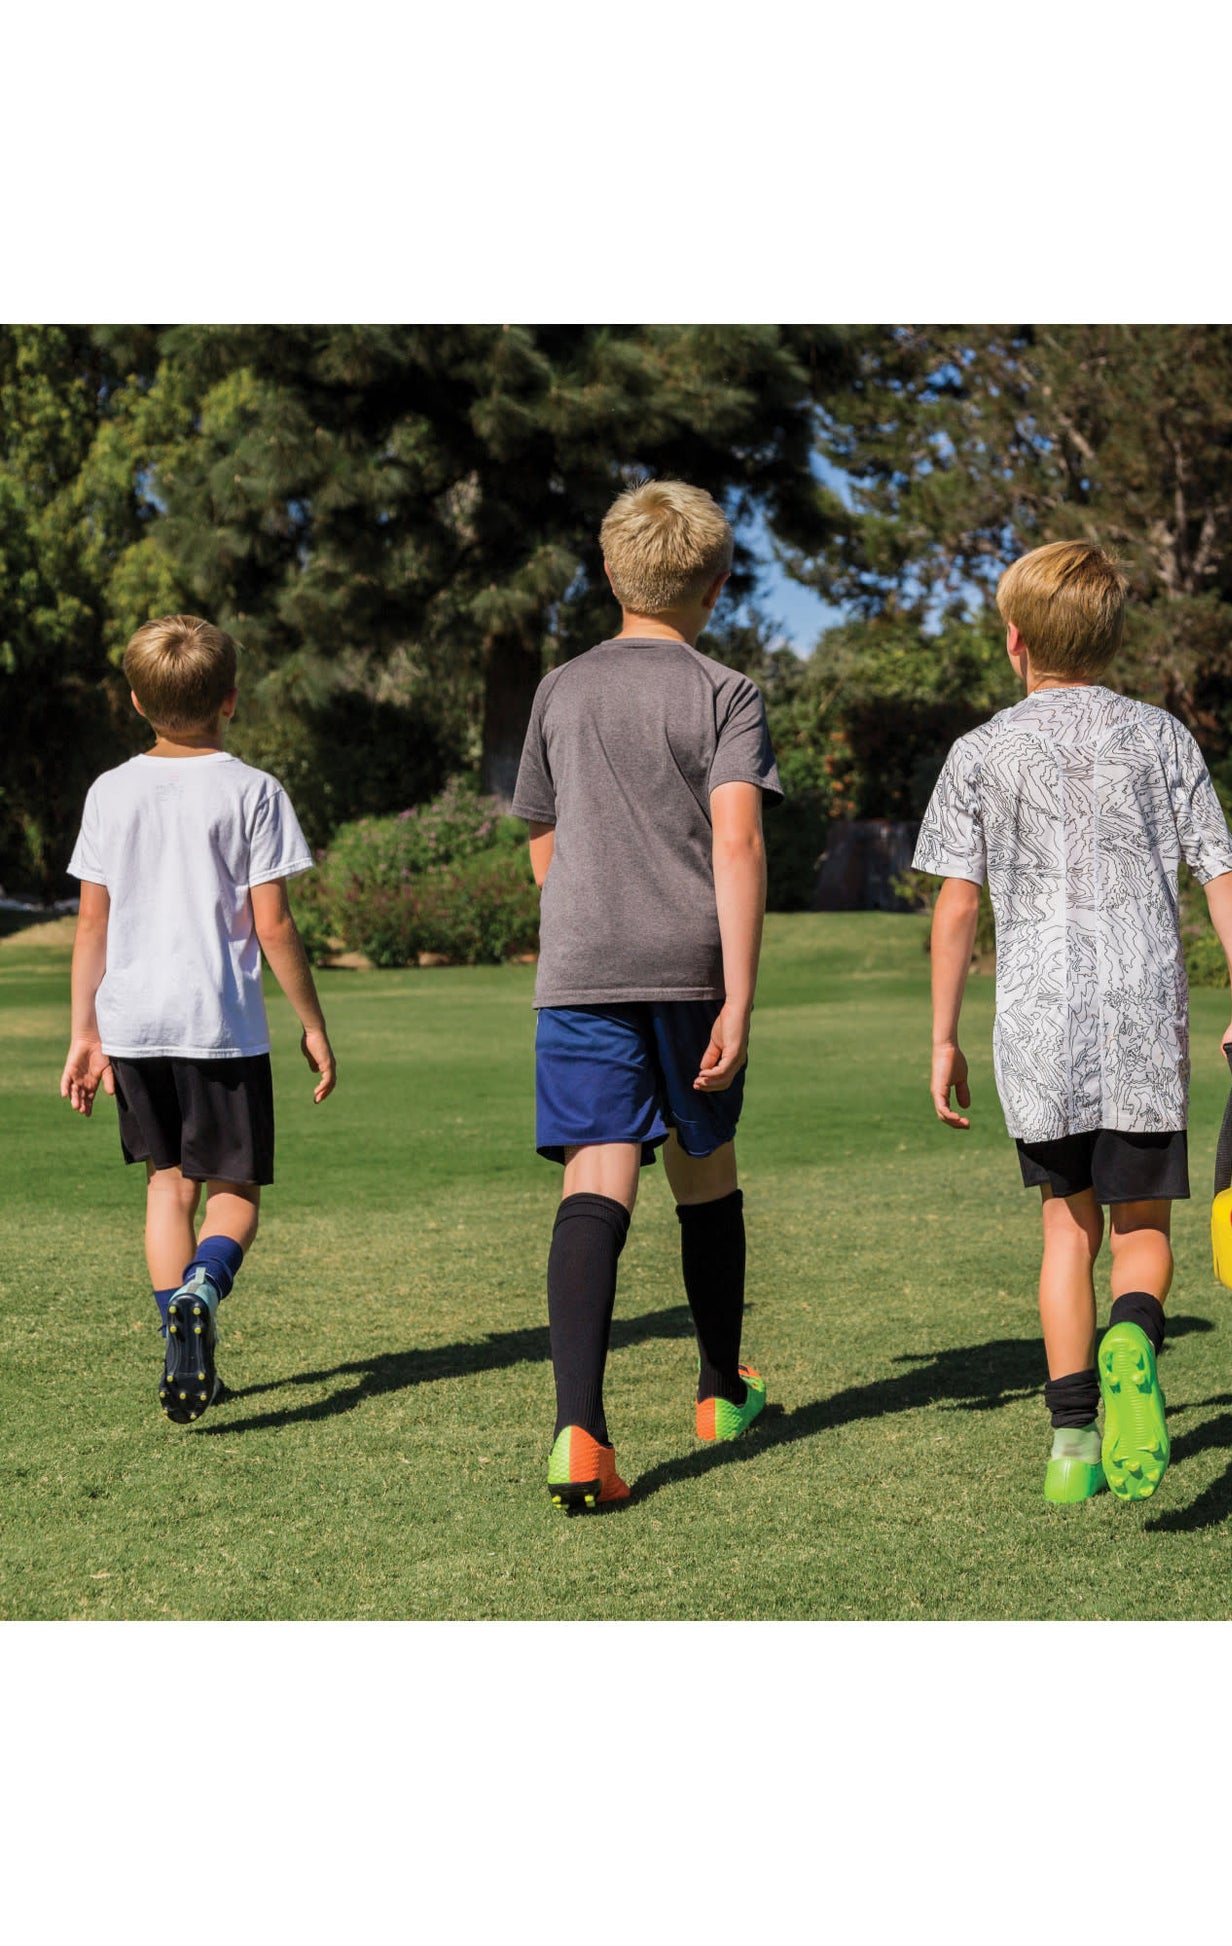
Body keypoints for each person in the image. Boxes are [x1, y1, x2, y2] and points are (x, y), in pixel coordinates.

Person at [915, 541, 1232, 1506]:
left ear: (1016, 642)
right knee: (1143, 1228)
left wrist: (944, 1035)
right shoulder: (1162, 739)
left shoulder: (980, 752)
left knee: (1063, 1232)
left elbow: (957, 907)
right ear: (1113, 638)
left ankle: (1072, 1444)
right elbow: (1220, 869)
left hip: (1039, 1031)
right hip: (1139, 1023)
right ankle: (1133, 1337)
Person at [513, 479, 779, 1514]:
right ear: (716, 586)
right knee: (702, 1164)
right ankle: (718, 1389)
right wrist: (740, 997)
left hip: (579, 966)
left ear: (608, 567)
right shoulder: (726, 691)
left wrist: (587, 908)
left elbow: (540, 831)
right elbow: (738, 838)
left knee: (597, 1172)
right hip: (689, 965)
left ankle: (579, 1429)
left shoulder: (558, 688)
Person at [59, 615, 337, 1423]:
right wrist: (312, 1022)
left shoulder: (109, 791)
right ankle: (206, 1290)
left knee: (165, 1189)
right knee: (236, 1194)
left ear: (137, 700)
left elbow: (91, 925)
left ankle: (185, 1346)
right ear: (231, 700)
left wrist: (85, 1032)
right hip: (219, 1026)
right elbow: (275, 925)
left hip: (133, 1024)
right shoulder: (252, 790)